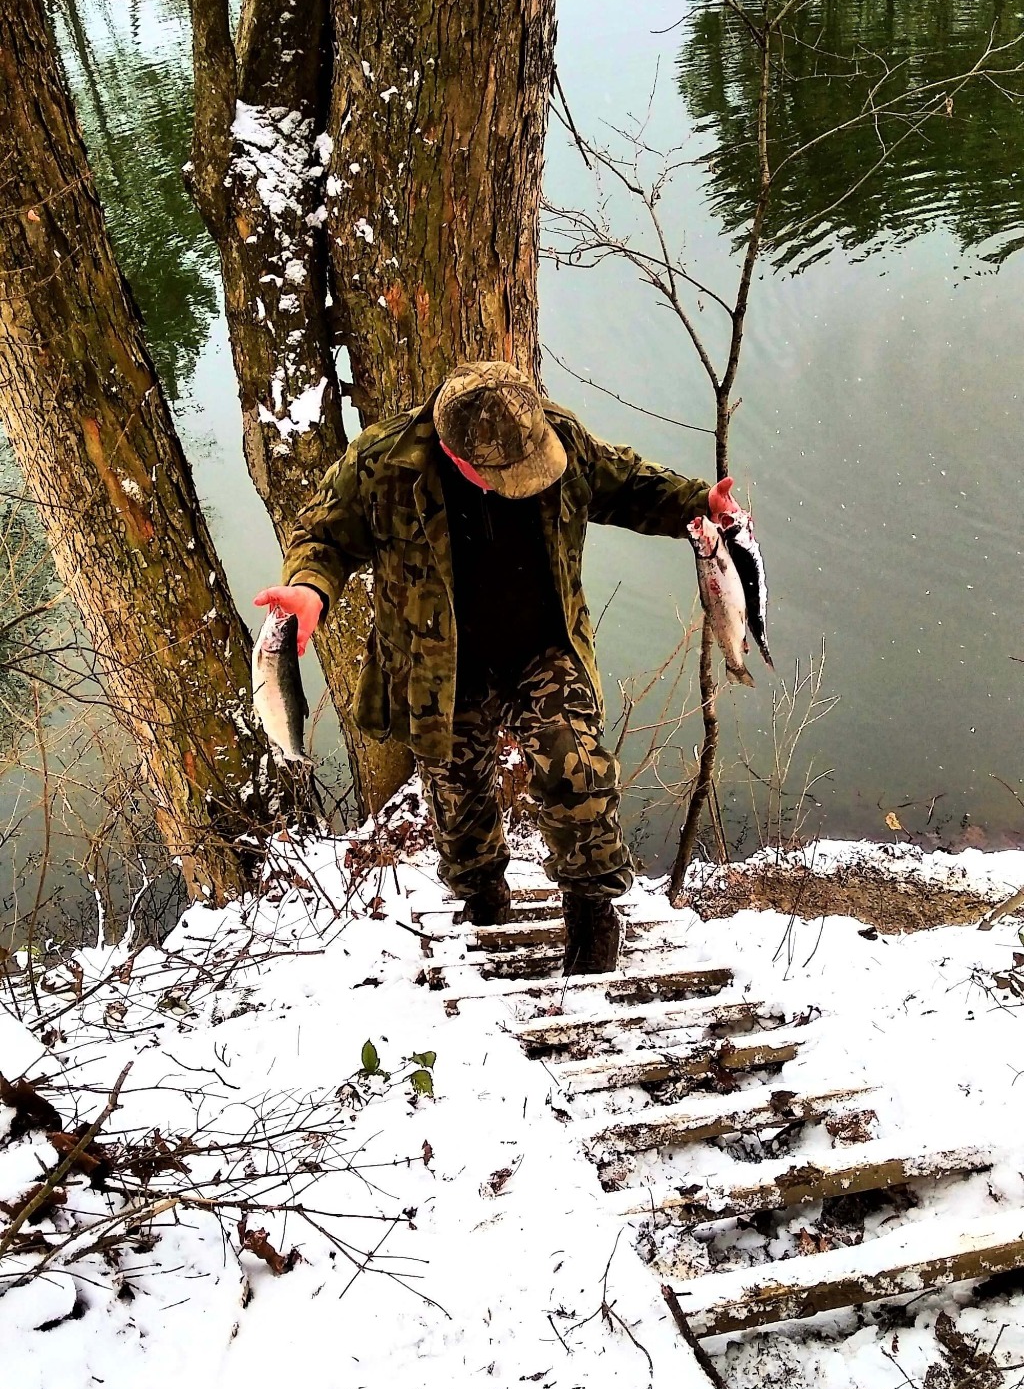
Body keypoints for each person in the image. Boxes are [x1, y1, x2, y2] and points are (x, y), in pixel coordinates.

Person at [255, 363, 741, 975]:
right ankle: (483, 901)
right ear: (459, 456)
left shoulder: (558, 438)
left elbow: (631, 486)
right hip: (438, 668)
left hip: (543, 647)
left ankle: (592, 919)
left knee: (578, 770)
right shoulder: (381, 466)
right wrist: (310, 590)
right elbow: (322, 538)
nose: (526, 482)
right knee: (460, 808)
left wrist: (697, 503)